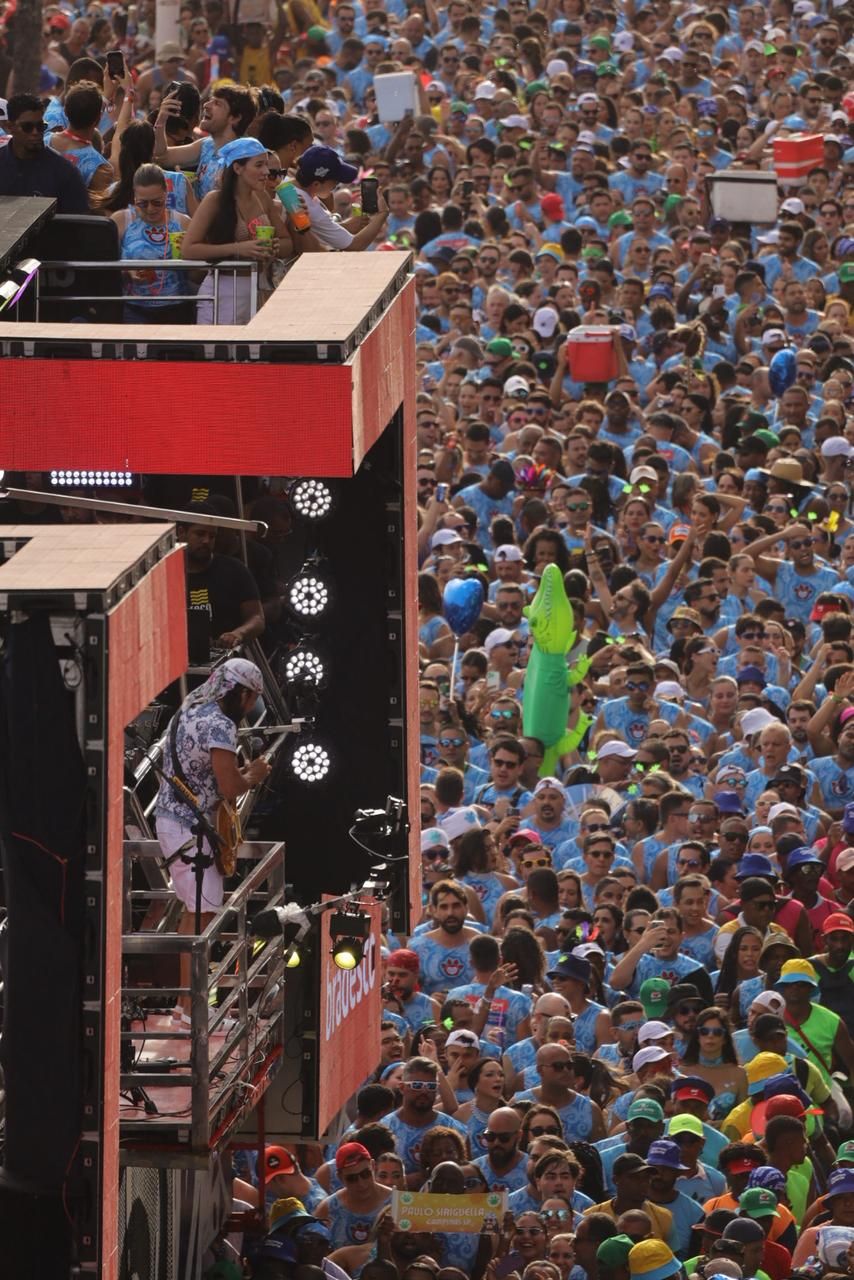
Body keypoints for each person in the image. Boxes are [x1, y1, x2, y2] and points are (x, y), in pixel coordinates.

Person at [154, 659, 271, 1020]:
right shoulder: (219, 725)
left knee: (195, 914)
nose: (251, 708)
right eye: (252, 700)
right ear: (242, 692)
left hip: (170, 821)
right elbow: (230, 786)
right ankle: (189, 1009)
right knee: (202, 918)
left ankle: (184, 1005)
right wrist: (255, 773)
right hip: (193, 830)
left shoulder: (186, 711)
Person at [183, 136, 290, 323]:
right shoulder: (214, 200)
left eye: (266, 165)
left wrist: (273, 247)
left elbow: (287, 243)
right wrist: (239, 248)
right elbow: (189, 250)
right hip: (221, 293)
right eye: (258, 165)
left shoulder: (263, 197)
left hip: (257, 292)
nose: (266, 171)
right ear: (237, 168)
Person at [109, 163, 193, 323]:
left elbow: (198, 276)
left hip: (176, 308)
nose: (150, 209)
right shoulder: (121, 220)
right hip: (133, 308)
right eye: (142, 203)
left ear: (166, 194)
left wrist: (188, 256)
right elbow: (104, 269)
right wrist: (127, 272)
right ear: (134, 196)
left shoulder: (182, 223)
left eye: (157, 202)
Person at [0, 92, 89, 212]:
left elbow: (77, 224)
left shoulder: (65, 172)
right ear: (10, 127)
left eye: (40, 126)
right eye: (27, 127)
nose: (35, 132)